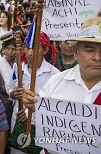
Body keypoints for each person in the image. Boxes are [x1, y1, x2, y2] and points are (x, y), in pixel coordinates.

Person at [22, 17, 101, 153]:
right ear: (76, 51)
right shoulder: (55, 82)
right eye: (89, 50)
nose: (97, 57)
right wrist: (34, 107)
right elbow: (37, 123)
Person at [9, 31, 60, 154]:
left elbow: (53, 105)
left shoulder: (54, 74)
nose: (30, 53)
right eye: (27, 48)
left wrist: (30, 109)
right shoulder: (18, 67)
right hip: (18, 120)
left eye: (35, 48)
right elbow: (10, 89)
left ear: (45, 50)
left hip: (39, 125)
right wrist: (13, 94)